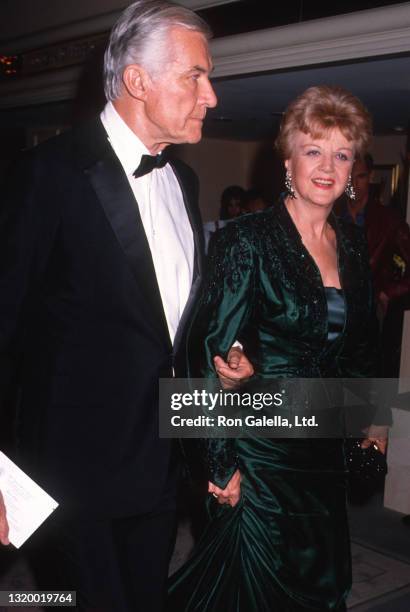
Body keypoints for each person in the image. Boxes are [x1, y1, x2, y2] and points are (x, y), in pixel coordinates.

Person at [0, 2, 253, 610]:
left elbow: (174, 335)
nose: (211, 95)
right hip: (68, 476)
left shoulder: (186, 184)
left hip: (162, 469)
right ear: (137, 81)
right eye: (196, 75)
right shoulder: (46, 174)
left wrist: (220, 400)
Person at [168, 86, 389, 611]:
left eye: (342, 154)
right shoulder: (248, 239)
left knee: (322, 580)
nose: (328, 166)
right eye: (314, 150)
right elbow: (200, 356)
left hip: (323, 449)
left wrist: (375, 425)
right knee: (257, 588)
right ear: (288, 159)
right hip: (259, 447)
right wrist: (219, 464)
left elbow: (361, 347)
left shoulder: (351, 242)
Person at [337, 154, 410, 376]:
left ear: (370, 176)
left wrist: (386, 292)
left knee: (364, 376)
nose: (352, 184)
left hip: (369, 308)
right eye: (347, 177)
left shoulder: (388, 220)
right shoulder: (329, 214)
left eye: (359, 177)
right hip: (330, 302)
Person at [203, 185, 246, 251]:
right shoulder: (216, 225)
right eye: (230, 205)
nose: (234, 208)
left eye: (237, 204)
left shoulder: (247, 225)